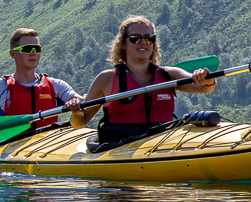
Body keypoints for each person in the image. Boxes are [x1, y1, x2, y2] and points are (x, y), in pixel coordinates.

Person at [73, 15, 213, 148]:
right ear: (123, 44)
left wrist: (205, 79)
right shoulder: (107, 79)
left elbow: (206, 88)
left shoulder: (170, 75)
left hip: (162, 145)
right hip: (120, 147)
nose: (143, 42)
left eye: (149, 38)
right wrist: (76, 112)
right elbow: (80, 122)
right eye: (135, 38)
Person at [0, 28, 81, 129]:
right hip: (12, 148)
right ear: (13, 54)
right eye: (27, 49)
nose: (33, 53)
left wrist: (78, 103)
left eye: (37, 49)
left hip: (47, 146)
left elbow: (82, 101)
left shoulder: (56, 86)